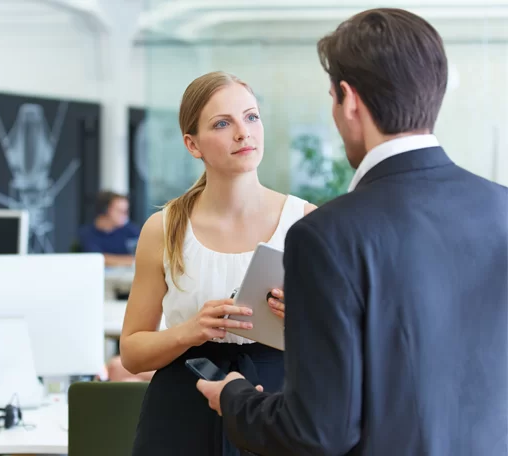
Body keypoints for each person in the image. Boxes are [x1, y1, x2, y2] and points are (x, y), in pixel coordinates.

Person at [197, 8, 508, 456]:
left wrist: (233, 396)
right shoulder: (500, 207)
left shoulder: (326, 235)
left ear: (350, 100)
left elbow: (318, 431)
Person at [120, 70, 316, 456]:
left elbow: (341, 343)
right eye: (223, 123)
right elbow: (132, 352)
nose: (243, 133)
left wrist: (302, 322)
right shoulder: (164, 229)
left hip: (278, 405)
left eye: (251, 117)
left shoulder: (306, 222)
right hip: (180, 410)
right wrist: (192, 330)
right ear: (193, 145)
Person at [78, 191, 141, 267]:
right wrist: (128, 260)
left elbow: (142, 258)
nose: (125, 215)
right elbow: (96, 259)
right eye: (119, 211)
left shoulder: (131, 230)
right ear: (104, 210)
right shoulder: (87, 234)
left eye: (126, 211)